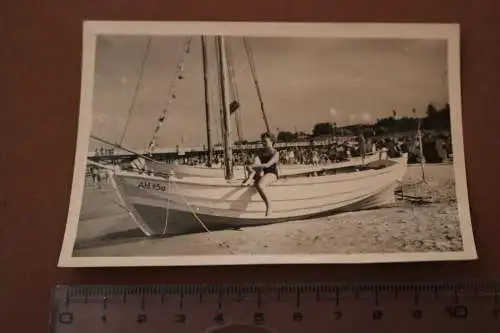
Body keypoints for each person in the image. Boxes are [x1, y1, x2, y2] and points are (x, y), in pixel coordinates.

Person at [245, 133, 280, 216]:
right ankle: (249, 179)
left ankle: (269, 205)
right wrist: (251, 167)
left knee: (260, 185)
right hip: (261, 173)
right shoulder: (260, 152)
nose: (263, 143)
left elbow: (267, 165)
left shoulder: (276, 153)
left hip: (271, 173)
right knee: (254, 169)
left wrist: (252, 166)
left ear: (272, 141)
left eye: (265, 141)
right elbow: (256, 164)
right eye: (262, 141)